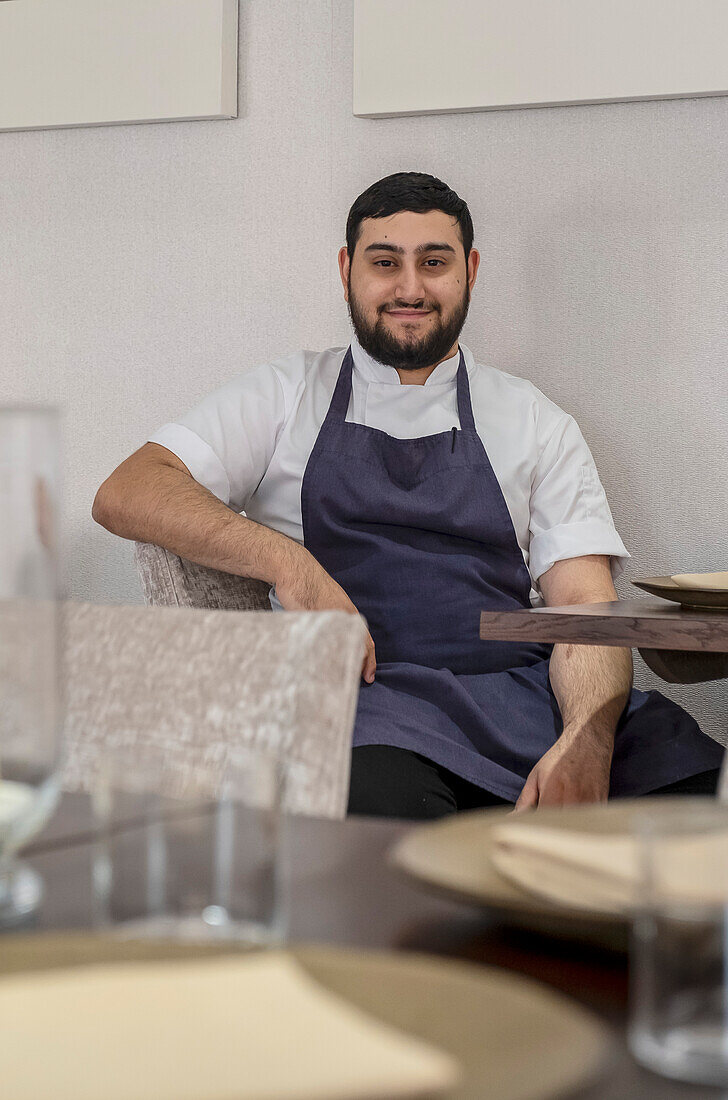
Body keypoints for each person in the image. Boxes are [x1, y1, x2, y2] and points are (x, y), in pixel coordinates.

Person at [93, 171, 723, 819]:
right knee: (387, 838)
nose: (410, 288)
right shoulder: (284, 395)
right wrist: (291, 566)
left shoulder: (535, 419)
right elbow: (129, 491)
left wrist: (585, 737)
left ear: (470, 270)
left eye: (434, 262)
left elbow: (584, 613)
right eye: (385, 262)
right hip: (369, 709)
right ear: (347, 270)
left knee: (702, 812)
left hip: (531, 703)